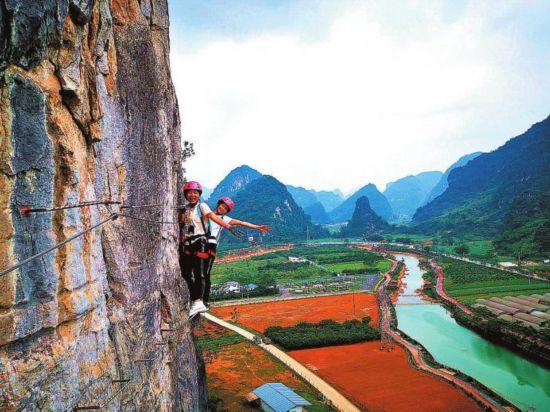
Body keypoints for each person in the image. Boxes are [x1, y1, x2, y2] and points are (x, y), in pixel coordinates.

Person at [179, 181, 233, 317]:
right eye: (190, 193)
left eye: (195, 193)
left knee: (200, 273)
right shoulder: (185, 209)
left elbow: (213, 217)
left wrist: (227, 226)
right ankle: (195, 299)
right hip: (187, 243)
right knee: (185, 273)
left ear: (199, 195)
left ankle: (199, 302)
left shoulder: (202, 206)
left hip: (201, 242)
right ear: (186, 194)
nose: (192, 195)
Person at [203, 196, 270, 306]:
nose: (223, 209)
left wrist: (257, 227)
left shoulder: (226, 219)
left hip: (210, 246)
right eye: (222, 206)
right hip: (200, 242)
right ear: (218, 204)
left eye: (226, 208)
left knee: (206, 274)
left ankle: (204, 301)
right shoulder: (208, 213)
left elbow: (242, 223)